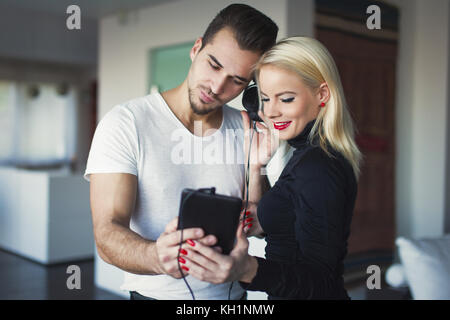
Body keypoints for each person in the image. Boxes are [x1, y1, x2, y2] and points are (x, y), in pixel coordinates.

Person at [84, 4, 278, 300]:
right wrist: (155, 256)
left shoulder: (246, 130)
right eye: (213, 65)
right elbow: (107, 232)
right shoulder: (125, 123)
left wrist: (258, 169)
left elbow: (259, 224)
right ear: (196, 49)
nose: (216, 86)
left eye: (236, 80)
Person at [175, 36, 362, 299]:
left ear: (322, 94)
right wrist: (257, 167)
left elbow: (322, 282)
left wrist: (247, 269)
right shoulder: (306, 155)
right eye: (265, 99)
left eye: (286, 99)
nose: (271, 112)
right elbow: (291, 229)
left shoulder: (318, 166)